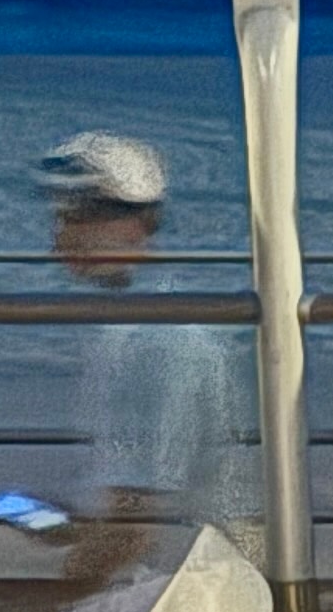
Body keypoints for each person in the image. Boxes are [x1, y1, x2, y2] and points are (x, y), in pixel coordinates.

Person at [36, 133, 243, 580]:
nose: (59, 241)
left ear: (133, 225)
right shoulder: (134, 322)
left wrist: (53, 600)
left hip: (170, 589)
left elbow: (135, 530)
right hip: (168, 572)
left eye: (75, 219)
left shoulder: (155, 339)